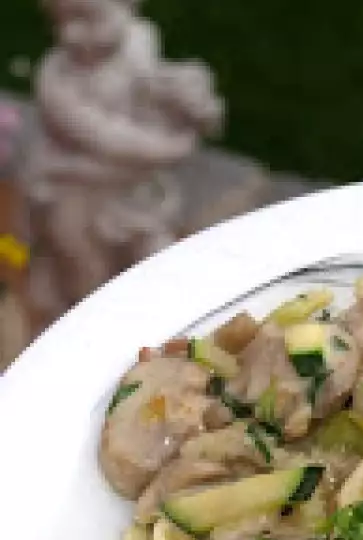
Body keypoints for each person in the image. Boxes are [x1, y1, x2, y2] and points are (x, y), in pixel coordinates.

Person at [23, 0, 222, 332]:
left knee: (158, 263)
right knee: (86, 274)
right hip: (78, 190)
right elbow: (106, 138)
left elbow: (154, 92)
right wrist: (174, 147)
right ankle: (96, 331)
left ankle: (165, 328)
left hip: (135, 194)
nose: (71, 33)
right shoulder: (55, 78)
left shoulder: (139, 40)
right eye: (59, 21)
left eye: (87, 18)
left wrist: (189, 96)